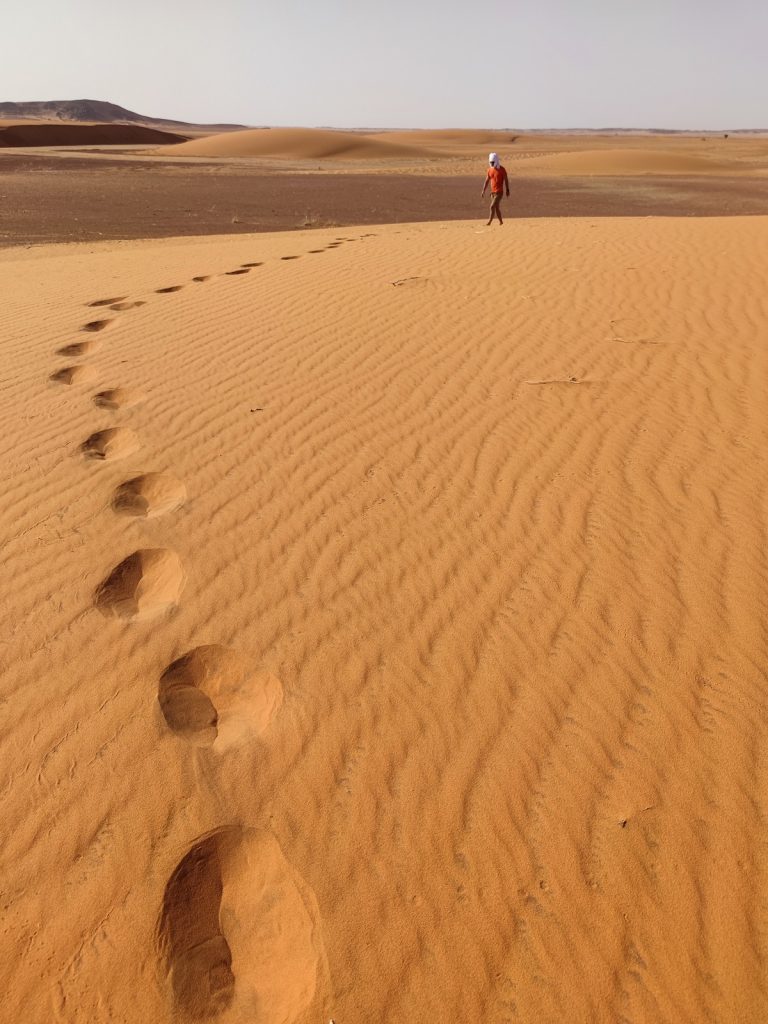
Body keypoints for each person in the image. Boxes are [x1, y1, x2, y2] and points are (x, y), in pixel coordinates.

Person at [481, 152, 509, 226]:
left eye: (493, 162)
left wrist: (507, 190)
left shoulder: (502, 169)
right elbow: (487, 180)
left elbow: (506, 180)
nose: (492, 163)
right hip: (492, 193)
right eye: (490, 162)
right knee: (496, 208)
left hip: (499, 192)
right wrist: (483, 190)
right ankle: (501, 222)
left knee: (492, 206)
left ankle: (489, 222)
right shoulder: (490, 170)